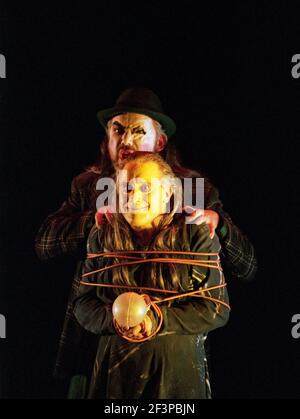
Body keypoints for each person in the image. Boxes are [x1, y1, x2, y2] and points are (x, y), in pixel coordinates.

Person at [34, 87, 256, 392]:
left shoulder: (191, 188)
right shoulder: (90, 186)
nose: (126, 140)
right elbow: (44, 243)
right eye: (118, 130)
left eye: (138, 131)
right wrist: (97, 221)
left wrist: (220, 227)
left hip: (169, 352)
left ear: (160, 141)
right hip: (99, 341)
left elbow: (247, 267)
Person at [73, 152, 229, 399]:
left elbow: (217, 309)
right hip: (115, 377)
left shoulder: (194, 235)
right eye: (127, 188)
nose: (134, 196)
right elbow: (82, 306)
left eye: (146, 187)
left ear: (168, 193)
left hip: (176, 377)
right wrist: (117, 321)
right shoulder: (102, 236)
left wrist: (155, 320)